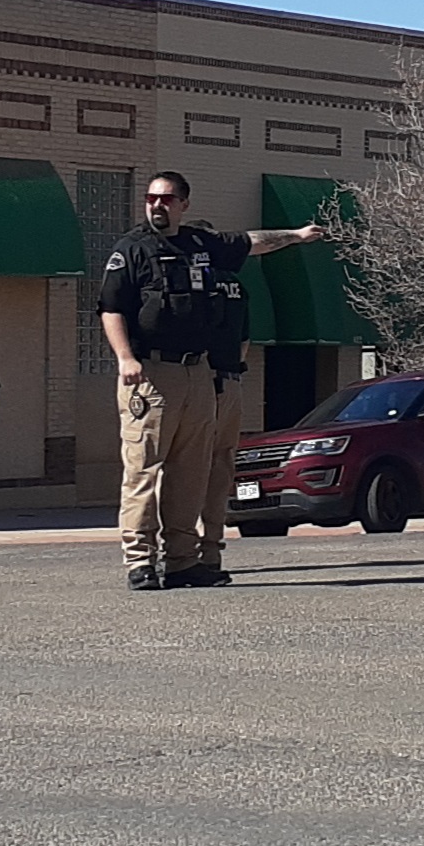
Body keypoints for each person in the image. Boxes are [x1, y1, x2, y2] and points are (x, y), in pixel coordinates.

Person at [96, 171, 323, 590]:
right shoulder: (132, 250)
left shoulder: (202, 246)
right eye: (151, 198)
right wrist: (125, 357)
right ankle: (140, 560)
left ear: (184, 204)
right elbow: (110, 308)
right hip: (151, 373)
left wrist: (295, 234)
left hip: (198, 372)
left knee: (191, 472)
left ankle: (183, 561)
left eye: (166, 199)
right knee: (143, 469)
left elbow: (252, 242)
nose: (157, 206)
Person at [189, 230, 254, 586]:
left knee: (184, 466)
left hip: (199, 381)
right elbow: (245, 340)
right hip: (232, 381)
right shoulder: (239, 287)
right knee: (221, 467)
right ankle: (211, 548)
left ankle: (175, 550)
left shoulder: (197, 282)